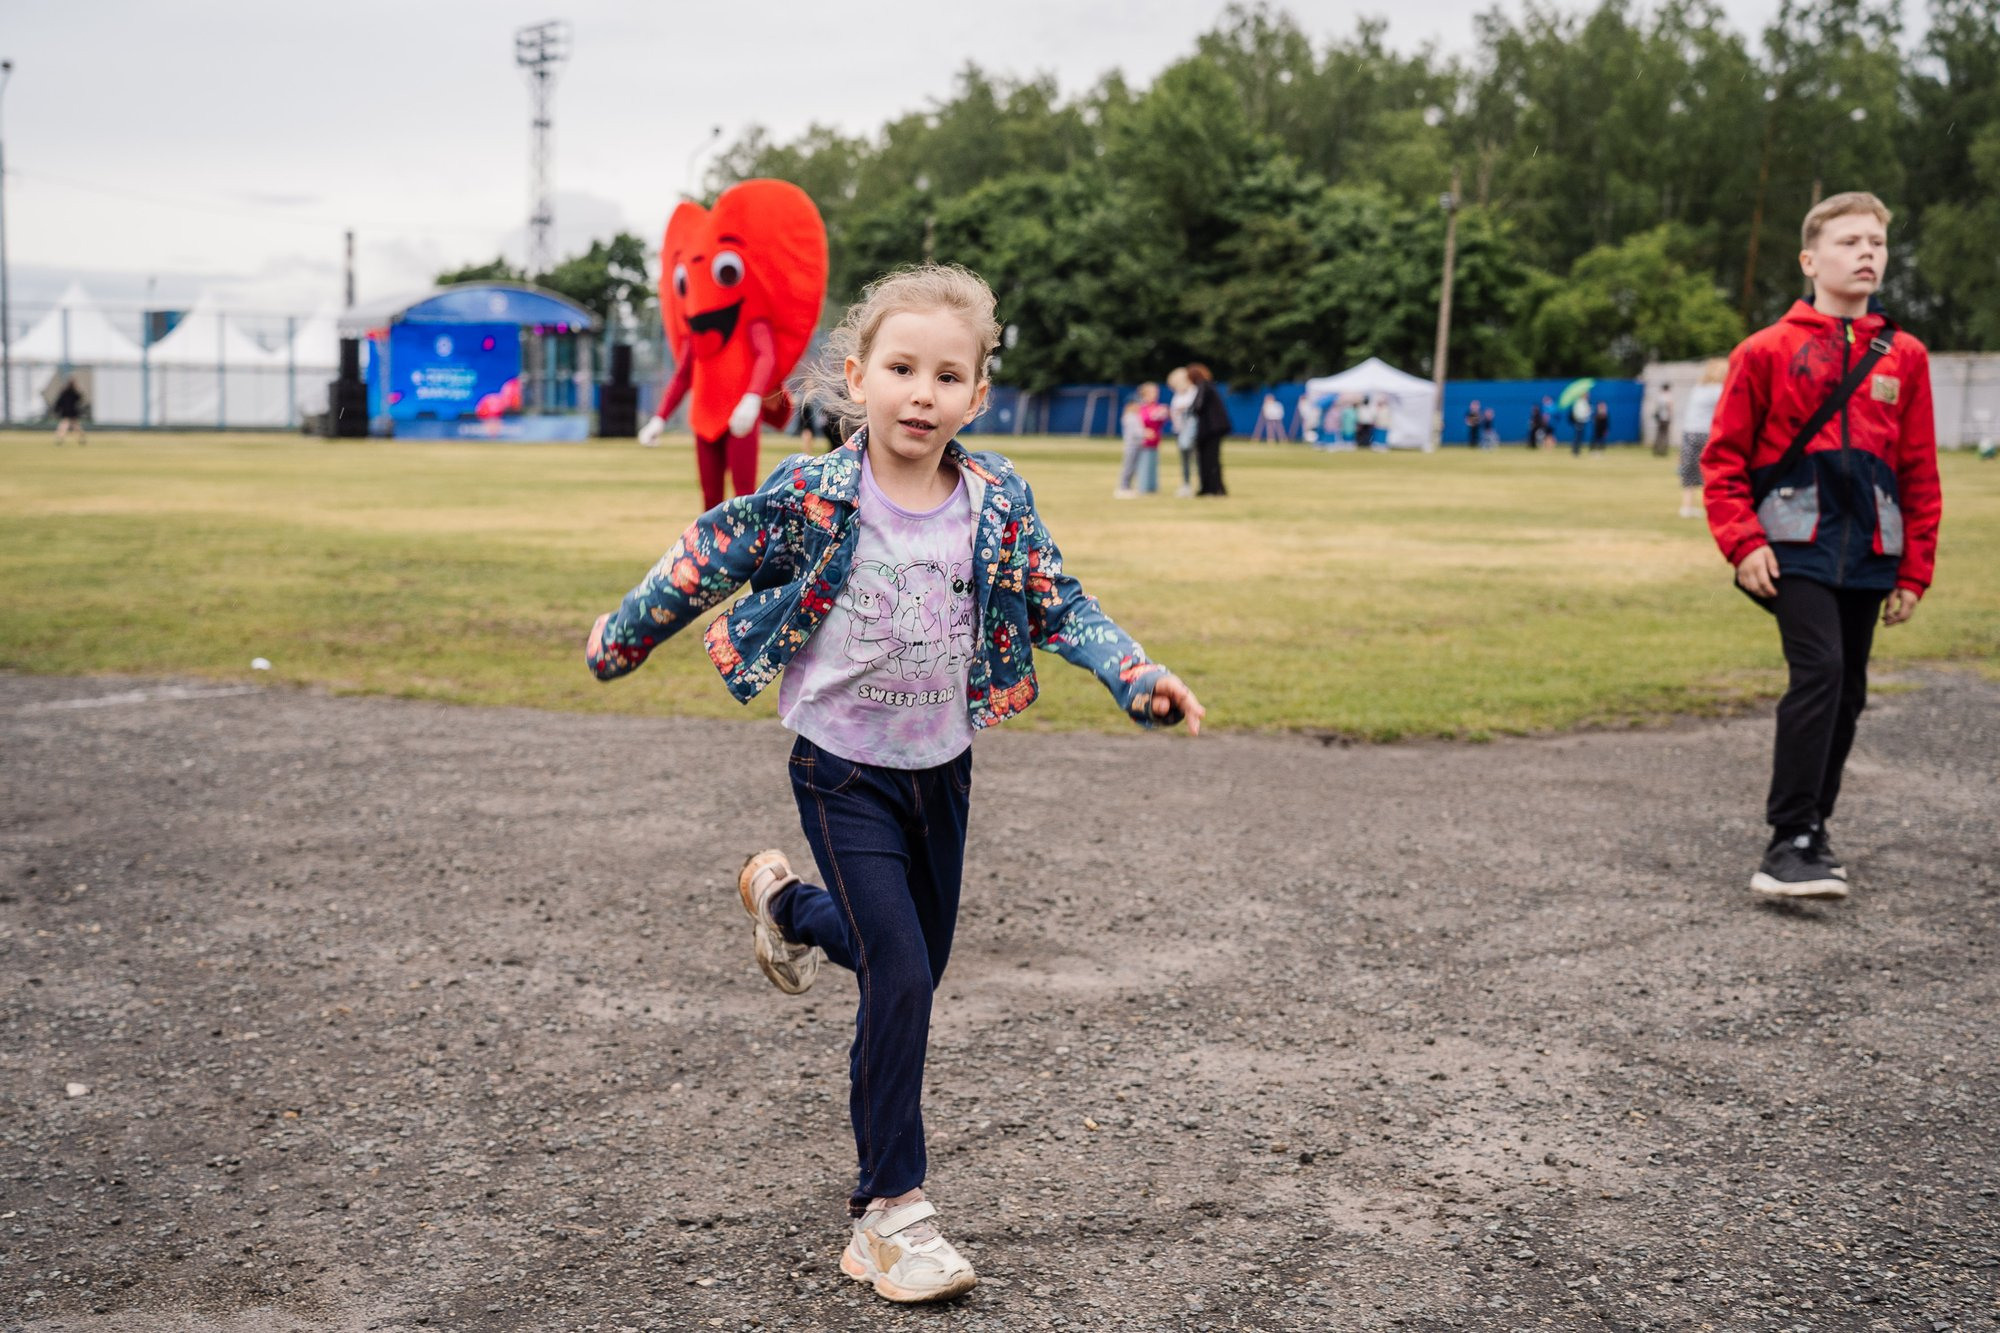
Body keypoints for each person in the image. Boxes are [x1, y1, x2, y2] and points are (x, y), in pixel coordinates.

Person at [585, 263, 1205, 1304]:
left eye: (947, 375)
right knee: (903, 976)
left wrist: (1133, 673)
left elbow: (1061, 601)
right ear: (856, 377)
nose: (923, 392)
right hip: (840, 767)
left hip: (941, 769)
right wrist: (623, 637)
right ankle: (888, 1214)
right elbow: (710, 551)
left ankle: (783, 905)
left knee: (905, 962)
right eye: (902, 369)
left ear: (976, 394)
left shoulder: (994, 500)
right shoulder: (818, 494)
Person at [1701, 191, 1940, 901]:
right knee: (1822, 670)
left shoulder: (1907, 355)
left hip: (1870, 547)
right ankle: (1788, 840)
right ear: (1810, 260)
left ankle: (1814, 828)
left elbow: (1919, 471)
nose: (1867, 252)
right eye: (1849, 242)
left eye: (1876, 242)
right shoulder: (1765, 351)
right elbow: (1723, 461)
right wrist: (1742, 541)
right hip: (1789, 544)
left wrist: (1914, 570)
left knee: (1850, 691)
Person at [1679, 361, 1725, 518]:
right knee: (1712, 471)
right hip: (1707, 433)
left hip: (1689, 431)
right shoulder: (1719, 390)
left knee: (1689, 470)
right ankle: (1714, 506)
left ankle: (1686, 506)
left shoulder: (1698, 388)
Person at [1187, 362, 1230, 496]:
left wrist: (1189, 410)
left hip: (1210, 429)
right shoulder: (1209, 385)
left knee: (1208, 459)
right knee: (1212, 459)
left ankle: (1212, 488)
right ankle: (1214, 488)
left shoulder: (1203, 385)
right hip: (1215, 428)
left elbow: (1197, 407)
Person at [1167, 366, 1198, 498]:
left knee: (1196, 459)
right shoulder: (1178, 394)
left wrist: (1181, 409)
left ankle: (1201, 484)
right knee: (1184, 460)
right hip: (1179, 431)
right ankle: (1186, 484)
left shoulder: (1193, 391)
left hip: (1191, 431)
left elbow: (1193, 408)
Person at [52, 377, 87, 446]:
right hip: (72, 411)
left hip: (66, 411)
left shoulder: (64, 392)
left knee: (64, 425)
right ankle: (81, 438)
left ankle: (60, 438)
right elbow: (80, 398)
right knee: (75, 426)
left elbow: (59, 402)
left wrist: (57, 409)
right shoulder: (74, 392)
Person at [1651, 385, 1675, 458]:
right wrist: (1671, 416)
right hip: (1666, 418)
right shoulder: (1668, 396)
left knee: (1659, 434)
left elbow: (1657, 408)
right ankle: (1663, 451)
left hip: (1660, 418)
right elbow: (1669, 407)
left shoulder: (1660, 396)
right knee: (1665, 435)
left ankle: (1656, 450)